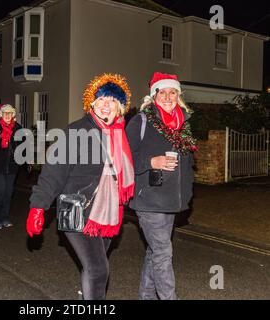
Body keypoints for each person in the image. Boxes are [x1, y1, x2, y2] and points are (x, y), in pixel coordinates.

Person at [26, 74, 135, 300]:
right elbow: (53, 172)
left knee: (95, 265)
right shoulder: (77, 131)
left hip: (108, 212)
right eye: (101, 100)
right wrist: (38, 206)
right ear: (92, 104)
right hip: (78, 211)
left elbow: (123, 175)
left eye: (112, 101)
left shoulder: (121, 136)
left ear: (120, 108)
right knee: (98, 270)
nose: (106, 105)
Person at [125, 72, 197, 300]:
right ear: (154, 95)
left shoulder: (183, 124)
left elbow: (188, 164)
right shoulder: (142, 121)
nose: (167, 97)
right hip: (149, 198)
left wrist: (186, 192)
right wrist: (151, 162)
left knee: (155, 251)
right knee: (163, 253)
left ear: (178, 96)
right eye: (162, 92)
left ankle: (146, 296)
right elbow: (123, 158)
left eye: (172, 92)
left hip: (171, 200)